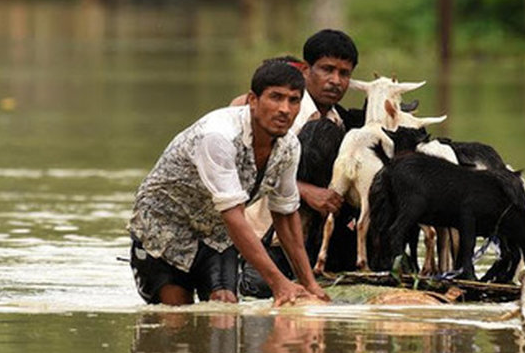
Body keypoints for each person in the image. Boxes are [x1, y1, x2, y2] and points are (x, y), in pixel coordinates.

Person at [128, 60, 329, 307]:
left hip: (216, 232)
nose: (284, 109)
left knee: (225, 309)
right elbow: (234, 216)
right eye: (275, 98)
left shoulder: (288, 146)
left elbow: (285, 215)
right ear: (253, 100)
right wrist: (279, 283)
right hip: (165, 228)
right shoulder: (218, 135)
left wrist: (309, 284)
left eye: (293, 100)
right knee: (175, 320)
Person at [239, 29, 363, 298]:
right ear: (306, 70)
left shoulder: (337, 120)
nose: (335, 81)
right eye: (327, 70)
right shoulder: (283, 113)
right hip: (261, 238)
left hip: (304, 240)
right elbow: (248, 169)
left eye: (344, 73)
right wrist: (307, 191)